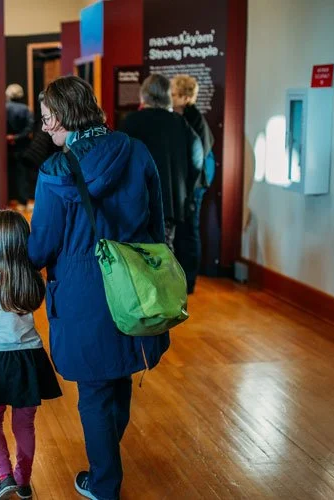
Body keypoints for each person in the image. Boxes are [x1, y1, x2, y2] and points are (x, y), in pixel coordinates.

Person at [29, 76, 170, 500]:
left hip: (82, 293)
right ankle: (106, 460)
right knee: (120, 373)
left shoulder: (55, 173)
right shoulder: (136, 151)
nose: (44, 128)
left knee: (93, 390)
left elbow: (40, 248)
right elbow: (157, 225)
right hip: (133, 285)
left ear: (63, 116)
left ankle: (104, 484)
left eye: (47, 119)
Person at [0, 209, 62, 500]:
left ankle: (5, 476)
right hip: (31, 359)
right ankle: (23, 480)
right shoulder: (31, 280)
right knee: (25, 423)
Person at [118, 74, 203, 252]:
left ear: (143, 95)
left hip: (135, 201)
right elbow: (197, 157)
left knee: (135, 254)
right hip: (169, 202)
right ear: (167, 96)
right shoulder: (180, 123)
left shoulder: (130, 122)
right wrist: (187, 187)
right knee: (164, 252)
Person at [171, 74, 215, 293]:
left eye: (174, 94)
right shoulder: (186, 117)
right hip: (189, 183)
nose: (170, 98)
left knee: (189, 230)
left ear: (185, 96)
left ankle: (188, 281)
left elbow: (197, 157)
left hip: (194, 184)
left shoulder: (193, 119)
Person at [5, 84, 35, 211]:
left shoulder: (3, 108)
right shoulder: (26, 109)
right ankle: (22, 202)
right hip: (22, 147)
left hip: (5, 147)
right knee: (22, 174)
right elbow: (29, 128)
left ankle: (7, 201)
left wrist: (8, 138)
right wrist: (16, 137)